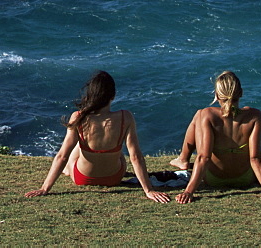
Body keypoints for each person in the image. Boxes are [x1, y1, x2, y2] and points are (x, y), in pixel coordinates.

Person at [25, 71, 169, 203]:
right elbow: (135, 157)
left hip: (82, 178)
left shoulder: (78, 117)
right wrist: (148, 190)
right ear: (113, 96)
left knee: (77, 146)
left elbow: (62, 156)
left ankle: (67, 170)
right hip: (114, 178)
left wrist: (45, 188)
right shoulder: (126, 117)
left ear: (90, 95)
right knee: (118, 152)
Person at [170, 71, 261, 206]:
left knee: (199, 115)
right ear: (241, 93)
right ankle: (182, 159)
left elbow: (204, 157)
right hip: (245, 179)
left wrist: (188, 192)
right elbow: (256, 158)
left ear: (216, 95)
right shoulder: (254, 116)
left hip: (214, 179)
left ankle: (183, 159)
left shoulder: (208, 115)